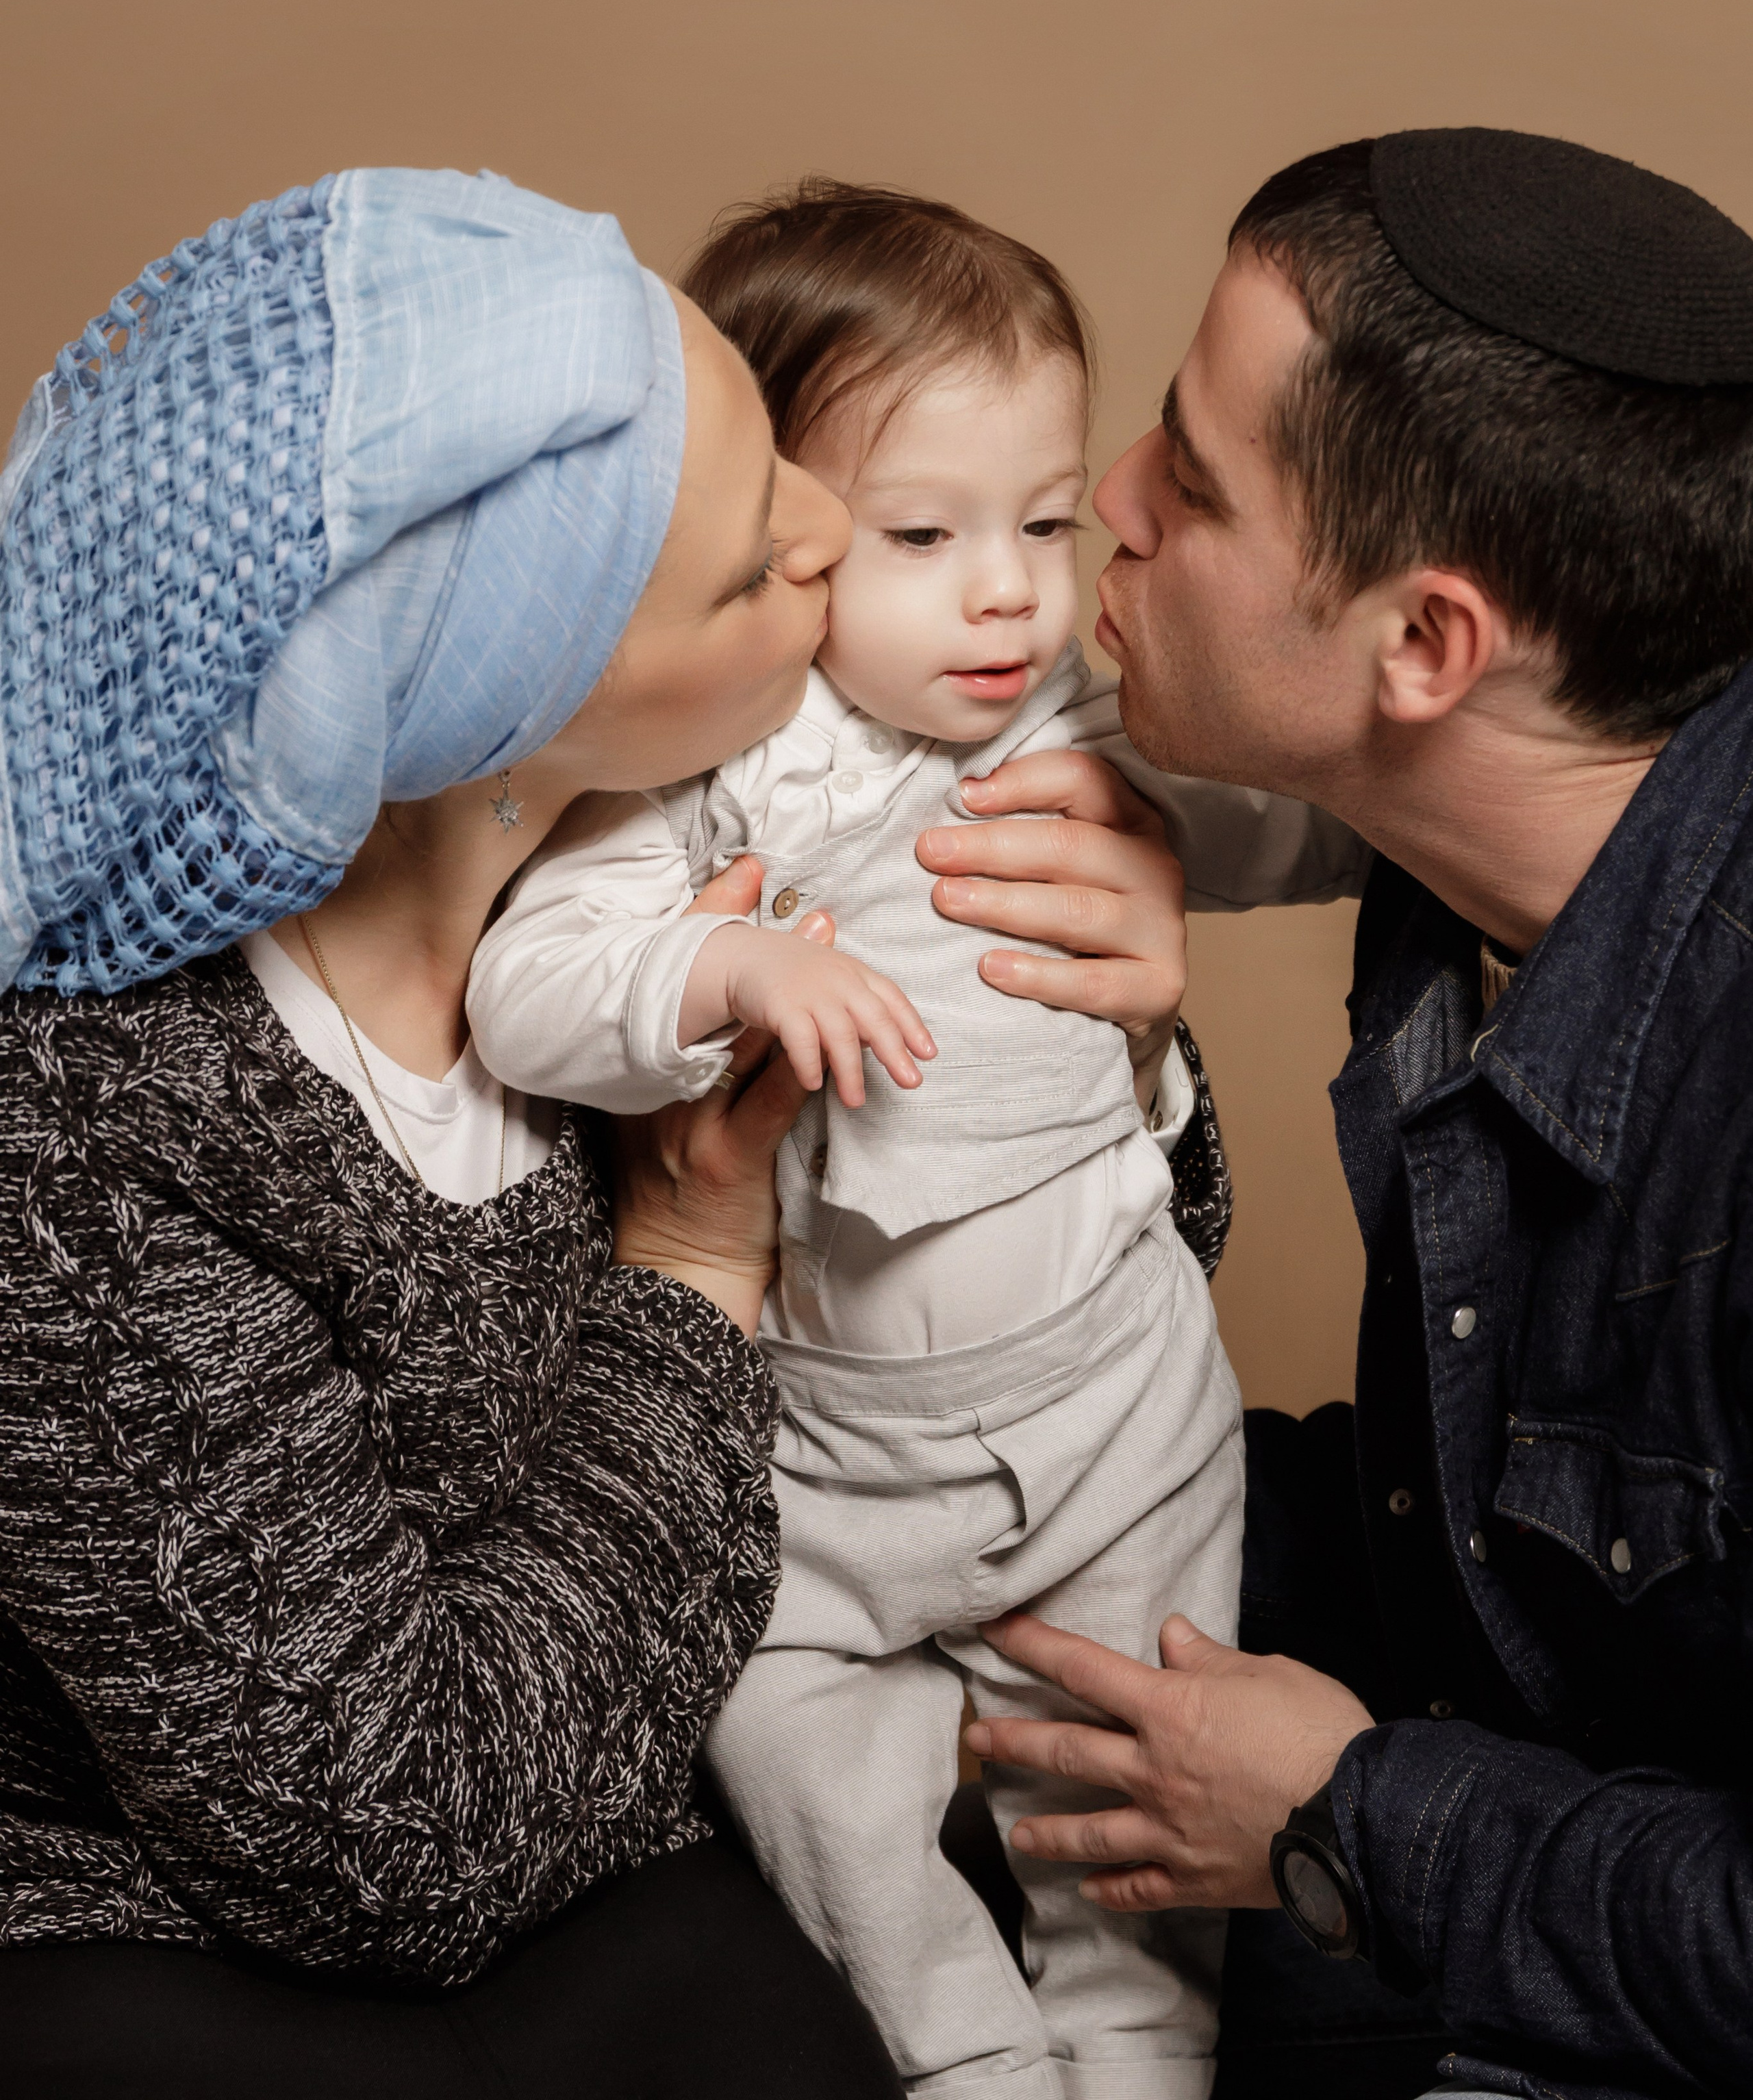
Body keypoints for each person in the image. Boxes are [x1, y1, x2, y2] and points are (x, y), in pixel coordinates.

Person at [0, 163, 895, 2099]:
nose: (836, 529)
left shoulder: (679, 862)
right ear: (508, 714)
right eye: (751, 564)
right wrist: (686, 1266)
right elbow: (395, 1838)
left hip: (605, 1806)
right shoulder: (90, 1139)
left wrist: (1129, 1026)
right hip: (172, 1950)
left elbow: (1004, 1316)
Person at [467, 184, 1365, 2100]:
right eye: (923, 536)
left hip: (1116, 1419)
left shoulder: (1095, 735)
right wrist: (722, 968)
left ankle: (1137, 2059)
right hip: (834, 1475)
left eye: (1045, 523)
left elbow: (1325, 812)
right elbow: (530, 986)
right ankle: (963, 2053)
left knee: (1137, 1813)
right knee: (796, 1754)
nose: (1008, 593)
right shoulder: (718, 774)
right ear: (781, 540)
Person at [957, 130, 1753, 2100]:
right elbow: (1485, 1543)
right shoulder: (1489, 831)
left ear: (1426, 644)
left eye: (1190, 482)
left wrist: (1352, 1815)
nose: (1104, 509)